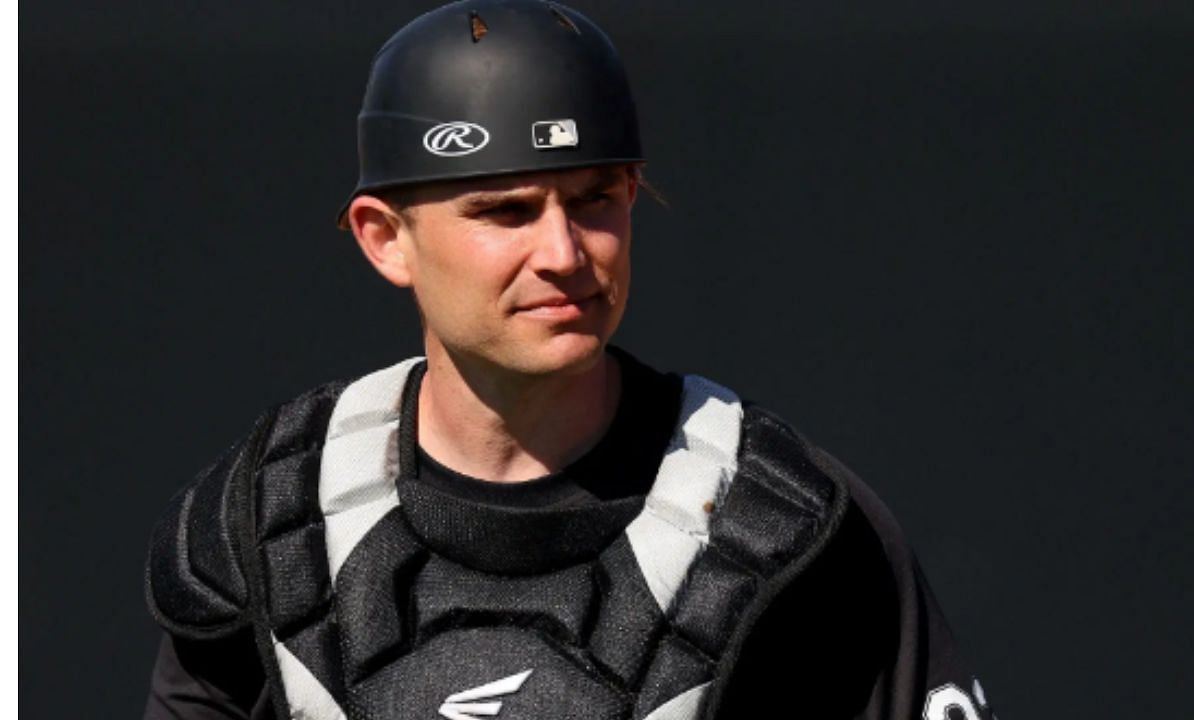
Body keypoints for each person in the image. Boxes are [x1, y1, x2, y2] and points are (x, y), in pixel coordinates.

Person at [142, 1, 996, 718]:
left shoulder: (787, 529)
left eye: (596, 200)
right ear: (384, 239)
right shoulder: (269, 527)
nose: (564, 251)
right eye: (504, 210)